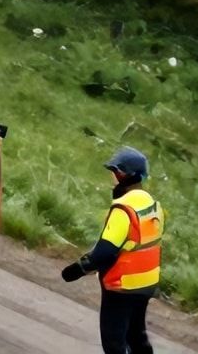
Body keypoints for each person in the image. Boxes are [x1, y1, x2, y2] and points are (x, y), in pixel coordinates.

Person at [61, 146, 163, 354]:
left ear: (123, 175)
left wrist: (76, 270)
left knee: (114, 342)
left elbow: (104, 252)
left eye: (114, 173)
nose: (112, 178)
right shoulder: (153, 205)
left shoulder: (123, 209)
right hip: (145, 284)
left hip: (121, 287)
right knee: (137, 337)